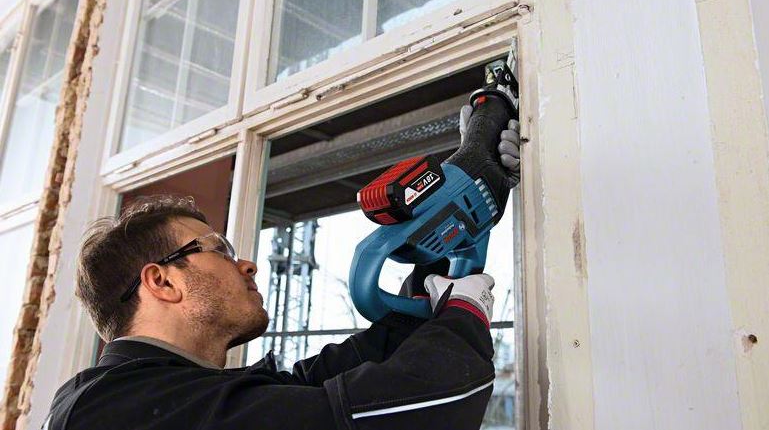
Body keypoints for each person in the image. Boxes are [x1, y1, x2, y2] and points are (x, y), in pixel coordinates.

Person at [44, 108, 521, 430]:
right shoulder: (114, 412)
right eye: (220, 250)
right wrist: (465, 311)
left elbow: (316, 383)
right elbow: (416, 405)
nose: (247, 264)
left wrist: (447, 231)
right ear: (162, 281)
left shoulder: (163, 392)